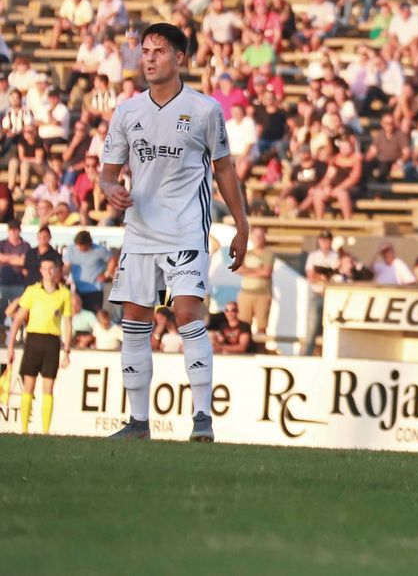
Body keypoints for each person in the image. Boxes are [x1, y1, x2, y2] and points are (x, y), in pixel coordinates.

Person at [98, 23, 250, 441]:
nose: (148, 58)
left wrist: (241, 225)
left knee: (186, 314)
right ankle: (139, 423)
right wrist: (111, 189)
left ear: (180, 58)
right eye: (145, 50)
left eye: (159, 51)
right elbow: (107, 174)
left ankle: (202, 419)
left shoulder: (205, 110)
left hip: (185, 230)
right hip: (140, 233)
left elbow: (224, 169)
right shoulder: (128, 111)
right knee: (134, 320)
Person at [4, 258, 72, 434]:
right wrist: (10, 346)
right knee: (29, 386)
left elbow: (67, 322)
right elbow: (18, 319)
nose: (48, 272)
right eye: (45, 268)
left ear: (56, 271)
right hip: (34, 339)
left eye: (51, 268)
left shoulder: (64, 294)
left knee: (48, 388)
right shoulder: (32, 291)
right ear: (40, 271)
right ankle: (24, 429)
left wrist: (67, 349)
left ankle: (45, 431)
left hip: (52, 341)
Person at [63, 229, 113, 313]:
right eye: (78, 245)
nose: (80, 247)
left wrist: (106, 275)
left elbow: (112, 260)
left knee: (94, 315)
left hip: (94, 291)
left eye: (82, 245)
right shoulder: (71, 249)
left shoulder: (99, 250)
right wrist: (64, 276)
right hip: (77, 291)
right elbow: (67, 266)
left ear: (89, 243)